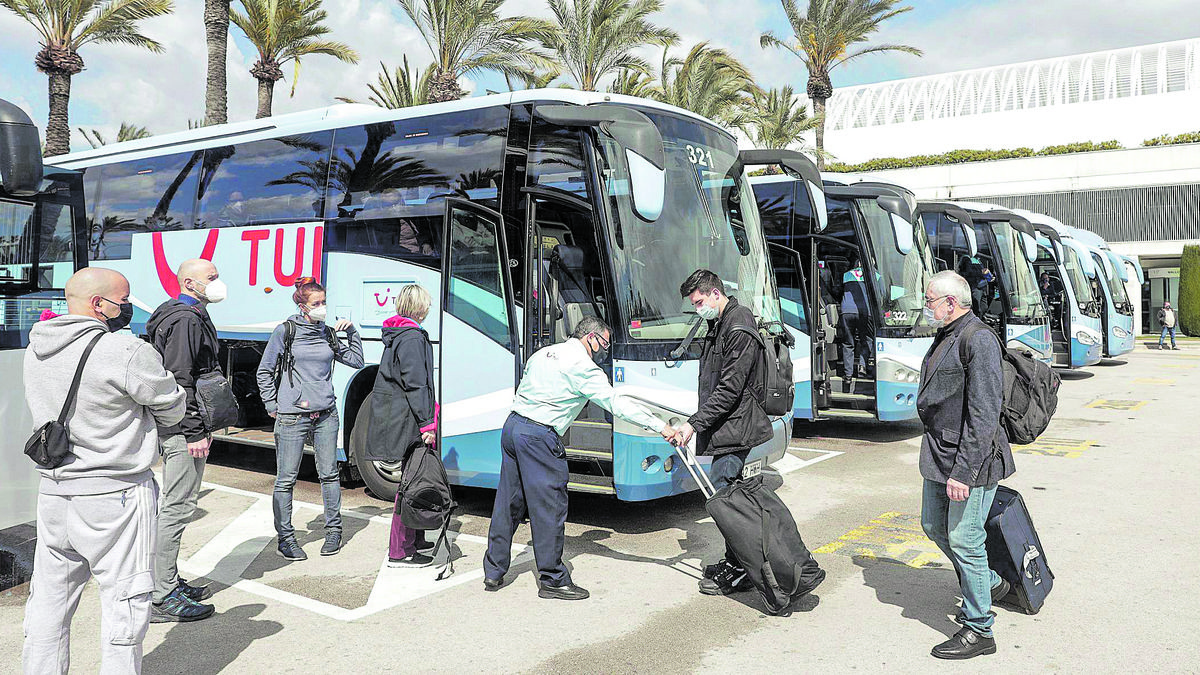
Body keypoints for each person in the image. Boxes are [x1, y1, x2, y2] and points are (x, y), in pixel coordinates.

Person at [23, 268, 186, 674]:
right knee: (125, 602)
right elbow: (172, 405)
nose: (127, 306)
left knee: (49, 600)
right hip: (116, 494)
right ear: (100, 305)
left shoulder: (37, 346)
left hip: (55, 491)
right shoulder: (124, 350)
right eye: (123, 299)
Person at [483, 316, 676, 600]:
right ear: (591, 338)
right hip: (539, 436)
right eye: (605, 345)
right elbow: (616, 404)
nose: (604, 352)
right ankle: (552, 579)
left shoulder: (543, 353)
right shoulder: (583, 367)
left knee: (509, 502)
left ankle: (493, 570)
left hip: (513, 427)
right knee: (549, 507)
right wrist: (661, 426)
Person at [673, 270, 809, 597]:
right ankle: (736, 562)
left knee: (729, 501)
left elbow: (730, 389)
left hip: (737, 426)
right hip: (727, 426)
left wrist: (693, 423)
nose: (697, 309)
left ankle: (740, 569)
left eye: (700, 302)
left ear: (716, 293)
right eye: (694, 304)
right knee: (729, 498)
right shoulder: (719, 322)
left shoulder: (738, 325)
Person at [917, 271, 1016, 660]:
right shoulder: (949, 333)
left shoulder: (979, 339)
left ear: (951, 303)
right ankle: (990, 583)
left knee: (965, 539)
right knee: (931, 524)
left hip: (969, 460)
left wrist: (964, 471)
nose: (926, 308)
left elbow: (985, 412)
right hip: (940, 454)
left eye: (930, 301)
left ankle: (979, 629)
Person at [257, 277, 365, 560]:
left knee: (329, 475)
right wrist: (272, 404)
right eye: (316, 304)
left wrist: (352, 332)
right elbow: (265, 371)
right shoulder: (286, 331)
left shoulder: (328, 333)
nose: (322, 308)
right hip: (292, 417)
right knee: (286, 480)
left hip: (326, 415)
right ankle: (286, 538)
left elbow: (356, 361)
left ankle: (333, 532)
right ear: (302, 306)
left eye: (324, 302)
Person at [144, 258, 226, 622]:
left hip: (185, 425)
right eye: (211, 277)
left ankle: (168, 580)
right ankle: (161, 595)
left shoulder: (185, 314)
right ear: (190, 284)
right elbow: (180, 378)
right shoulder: (185, 319)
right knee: (176, 508)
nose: (218, 282)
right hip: (182, 429)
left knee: (179, 506)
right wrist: (193, 431)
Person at [365, 284, 439, 567]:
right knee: (410, 484)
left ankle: (416, 539)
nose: (430, 308)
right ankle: (400, 550)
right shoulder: (411, 338)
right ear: (419, 307)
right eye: (428, 304)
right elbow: (416, 383)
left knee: (414, 479)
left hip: (400, 416)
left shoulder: (400, 334)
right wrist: (426, 423)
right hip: (408, 419)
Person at [839, 255, 872, 390]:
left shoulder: (846, 275)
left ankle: (848, 376)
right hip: (865, 311)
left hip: (846, 311)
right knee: (867, 339)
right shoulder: (874, 275)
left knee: (848, 343)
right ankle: (863, 367)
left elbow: (838, 291)